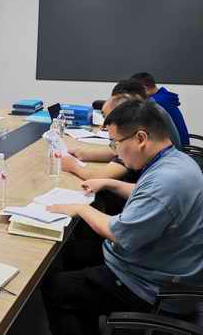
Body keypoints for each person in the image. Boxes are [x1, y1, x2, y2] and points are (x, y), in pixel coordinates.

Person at [42, 100, 203, 335]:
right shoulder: (176, 161)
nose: (115, 151)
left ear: (141, 138)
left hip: (150, 285)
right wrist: (111, 183)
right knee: (76, 250)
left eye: (116, 143)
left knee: (55, 288)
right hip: (167, 264)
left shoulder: (166, 181)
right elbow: (146, 194)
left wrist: (81, 208)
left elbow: (119, 233)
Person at [132, 72, 190, 146]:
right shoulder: (164, 96)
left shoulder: (155, 103)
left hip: (175, 148)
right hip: (182, 144)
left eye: (135, 92)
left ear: (144, 88)